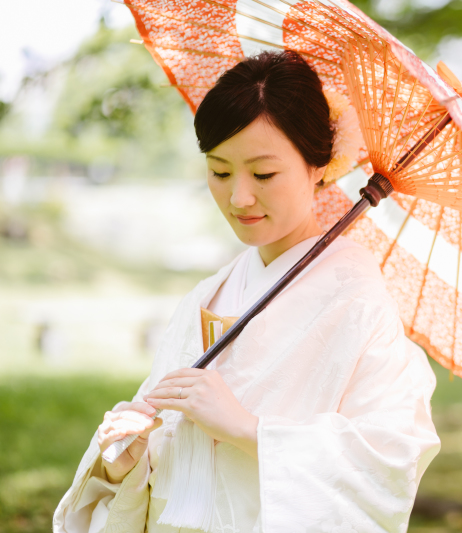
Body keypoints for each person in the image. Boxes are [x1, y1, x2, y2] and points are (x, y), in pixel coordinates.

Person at [53, 50, 441, 533]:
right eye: (219, 171)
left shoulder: (357, 300)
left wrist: (249, 429)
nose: (238, 197)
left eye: (263, 174)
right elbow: (172, 463)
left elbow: (390, 457)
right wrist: (125, 460)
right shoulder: (208, 293)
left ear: (319, 165)